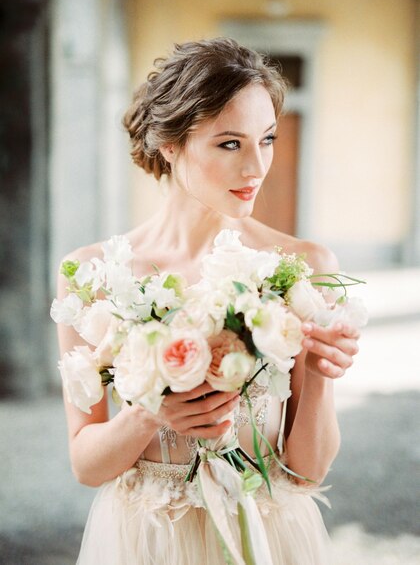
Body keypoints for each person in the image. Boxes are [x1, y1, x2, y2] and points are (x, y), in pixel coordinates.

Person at [56, 37, 360, 565]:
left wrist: (320, 371)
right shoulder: (93, 275)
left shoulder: (305, 266)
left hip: (269, 537)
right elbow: (87, 465)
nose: (256, 167)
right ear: (168, 144)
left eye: (266, 139)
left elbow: (308, 470)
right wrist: (150, 415)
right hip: (146, 540)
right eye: (229, 144)